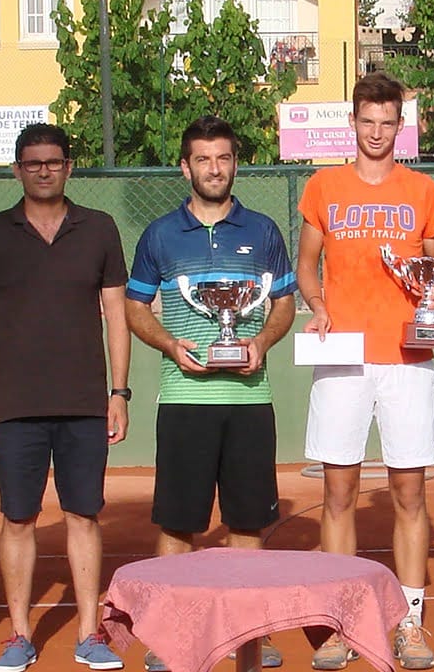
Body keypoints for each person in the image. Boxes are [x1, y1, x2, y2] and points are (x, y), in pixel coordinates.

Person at [126, 116, 297, 672]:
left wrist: (262, 342)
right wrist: (172, 344)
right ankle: (168, 633)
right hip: (183, 401)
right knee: (179, 524)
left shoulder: (264, 230)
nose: (214, 168)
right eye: (203, 159)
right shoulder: (159, 235)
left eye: (223, 158)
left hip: (249, 400)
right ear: (185, 167)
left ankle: (250, 634)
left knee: (248, 524)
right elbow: (134, 306)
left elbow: (285, 304)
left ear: (235, 163)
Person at [296, 72, 434, 671]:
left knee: (408, 491)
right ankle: (343, 621)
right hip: (344, 356)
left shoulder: (424, 190)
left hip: (408, 359)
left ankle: (408, 621)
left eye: (389, 122)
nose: (378, 132)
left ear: (399, 125)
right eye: (368, 121)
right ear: (353, 123)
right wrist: (318, 304)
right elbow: (308, 265)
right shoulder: (323, 186)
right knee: (339, 491)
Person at [0, 123, 130, 672]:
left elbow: (116, 317)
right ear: (17, 169)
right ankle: (19, 635)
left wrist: (119, 392)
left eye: (53, 162)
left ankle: (89, 633)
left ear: (68, 166)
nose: (43, 170)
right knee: (19, 519)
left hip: (85, 404)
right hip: (12, 407)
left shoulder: (100, 229)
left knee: (84, 515)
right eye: (33, 162)